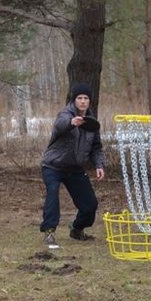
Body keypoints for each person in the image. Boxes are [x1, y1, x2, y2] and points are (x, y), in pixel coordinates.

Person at [40, 82, 105, 246]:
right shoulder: (65, 114)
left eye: (86, 98)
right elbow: (60, 125)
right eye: (79, 98)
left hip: (75, 169)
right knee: (53, 194)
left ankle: (77, 229)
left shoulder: (92, 123)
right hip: (53, 166)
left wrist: (99, 165)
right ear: (74, 100)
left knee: (90, 205)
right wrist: (71, 123)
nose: (83, 101)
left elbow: (96, 147)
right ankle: (49, 232)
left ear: (89, 101)